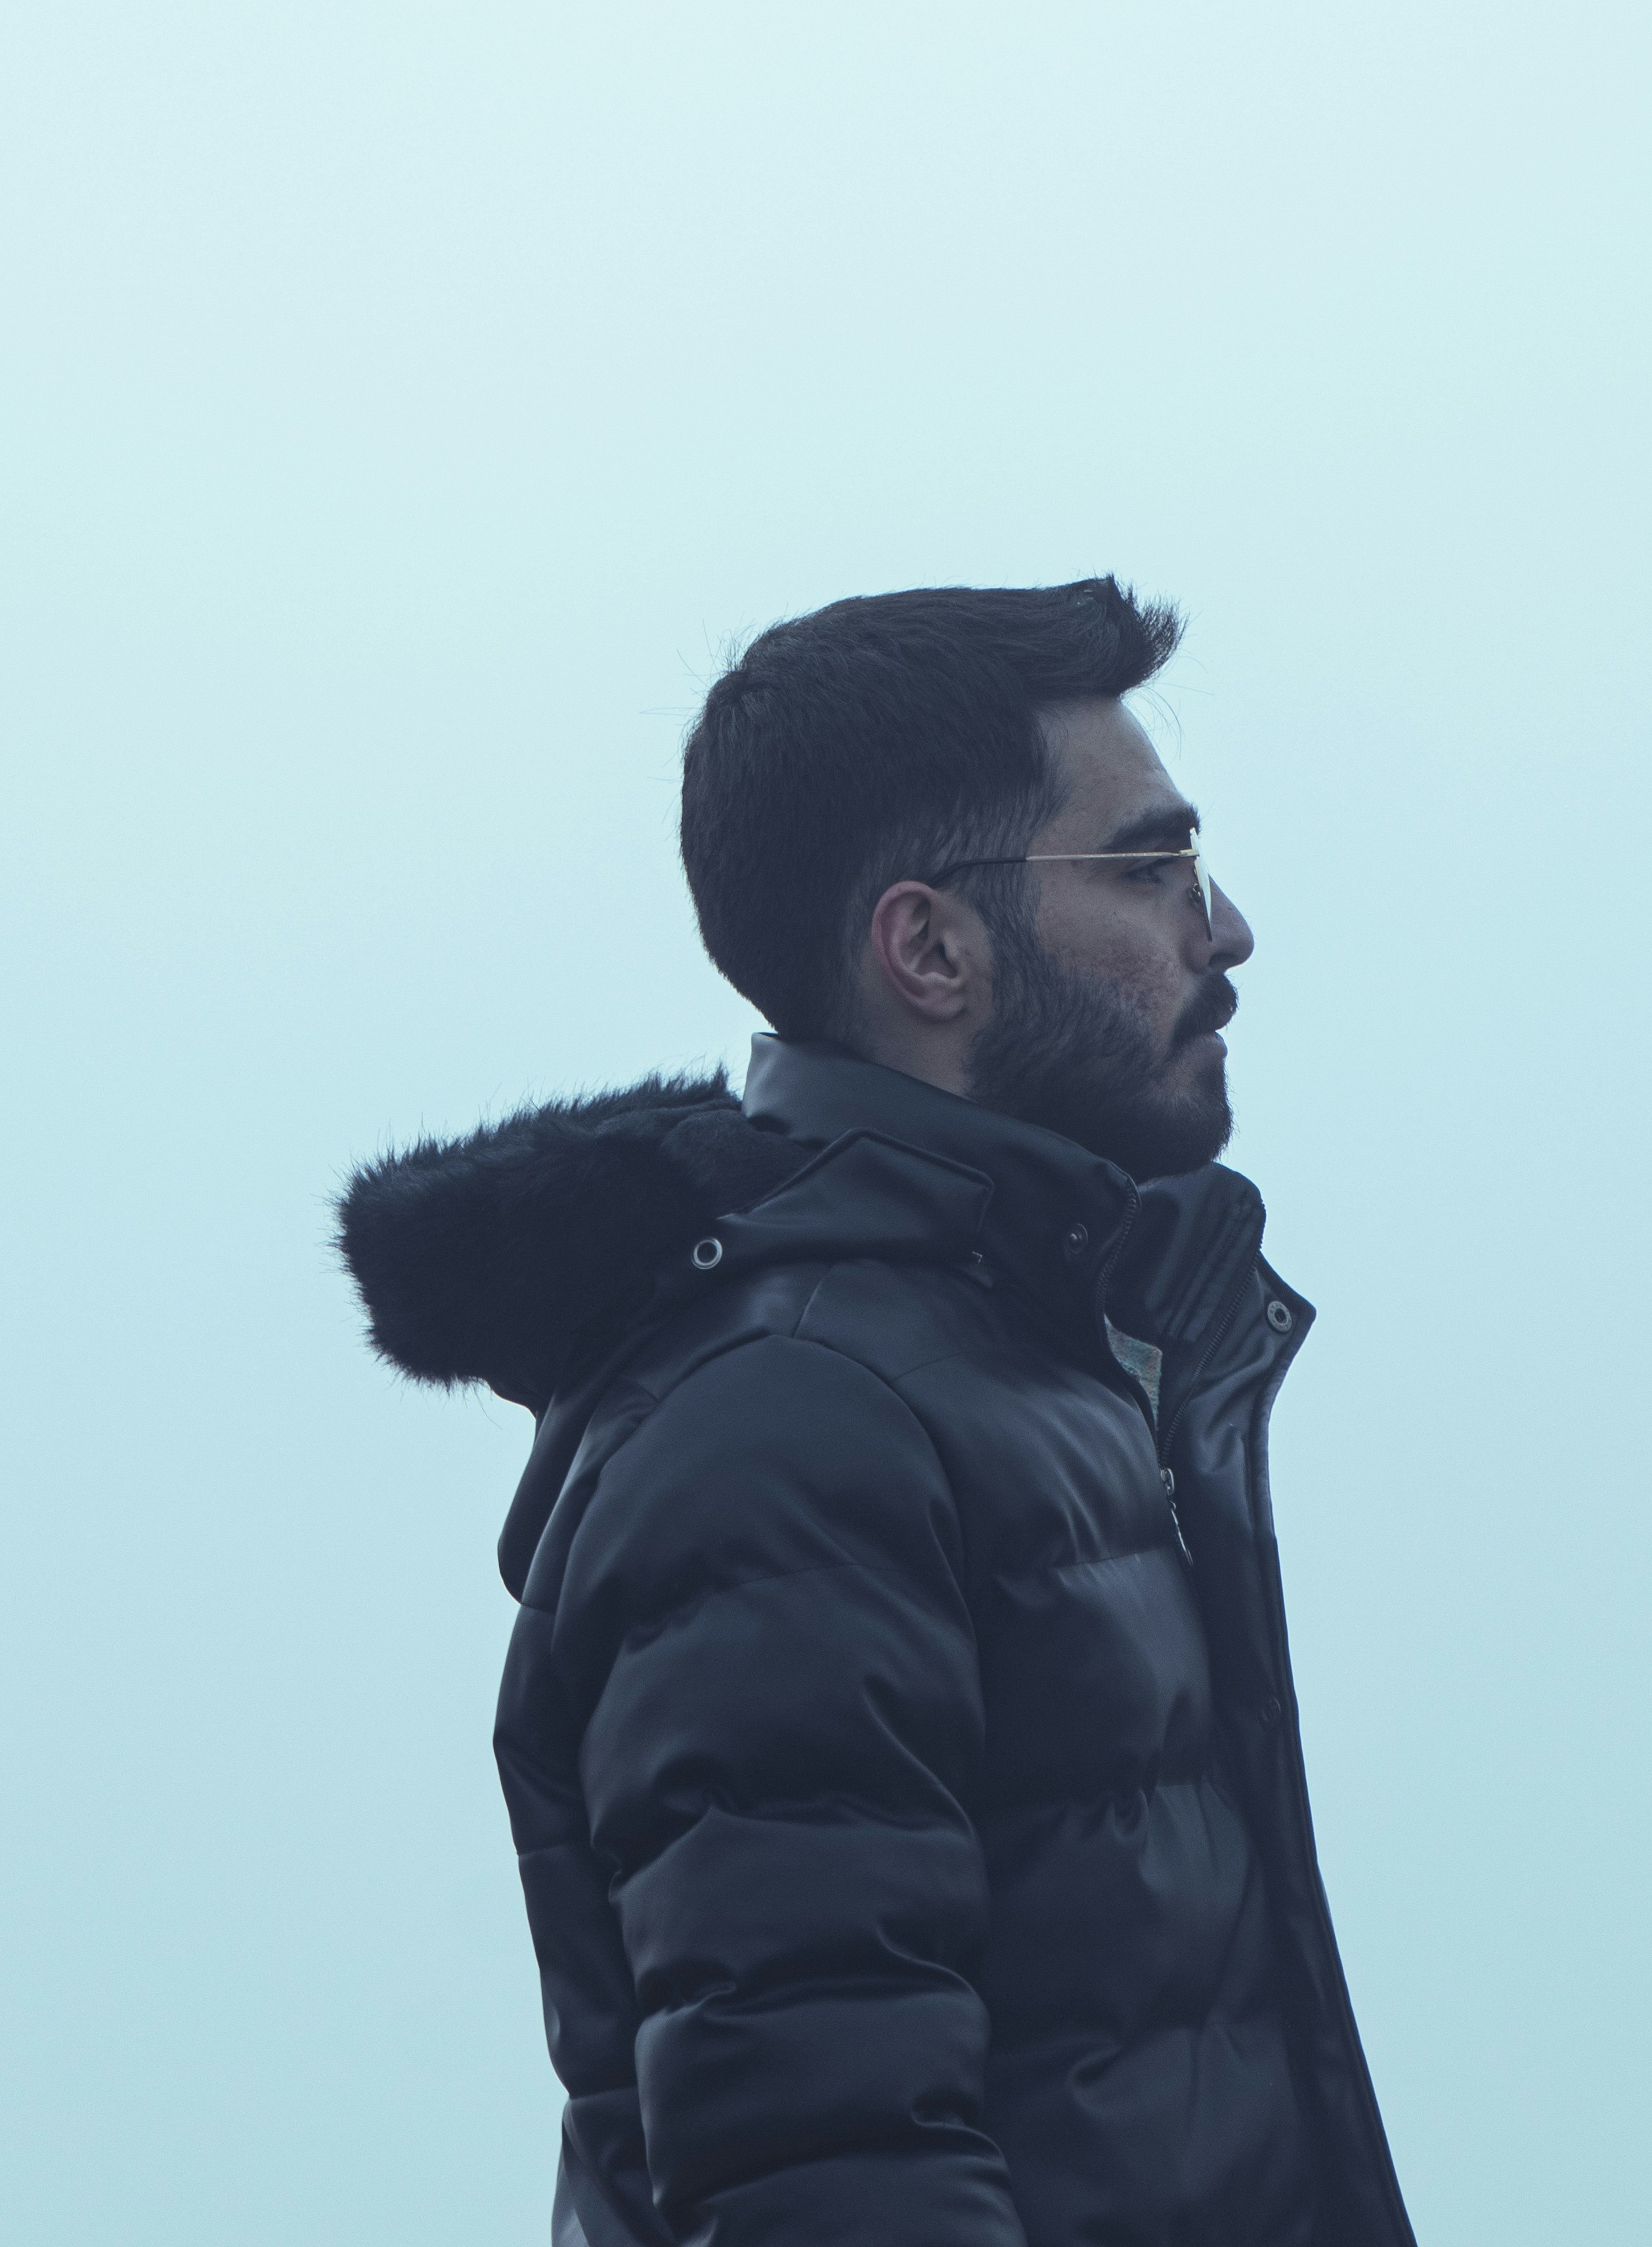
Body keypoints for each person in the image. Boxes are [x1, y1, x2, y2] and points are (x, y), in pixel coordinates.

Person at [340, 578, 1418, 2247]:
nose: (1222, 930)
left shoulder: (1012, 1362)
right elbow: (823, 2176)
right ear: (929, 949)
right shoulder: (788, 1428)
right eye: (1147, 867)